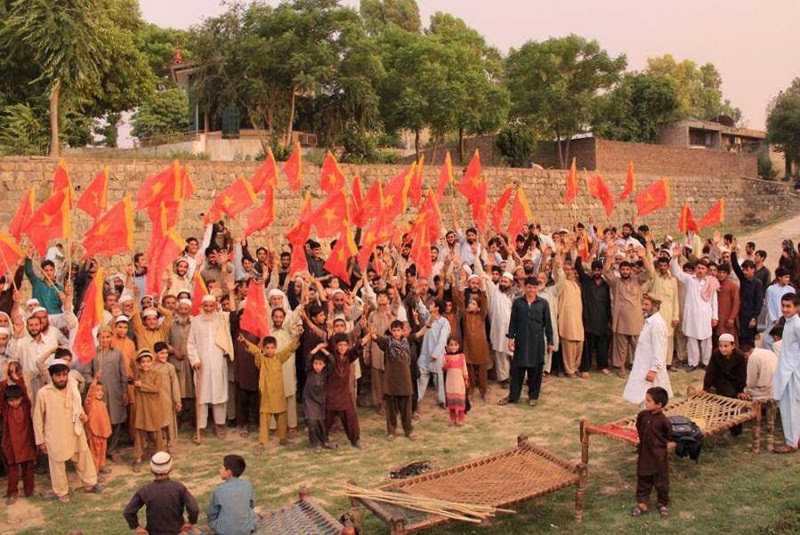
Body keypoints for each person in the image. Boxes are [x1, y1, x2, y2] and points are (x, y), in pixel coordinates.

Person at [33, 359, 101, 502]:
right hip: (56, 435)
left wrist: (83, 415)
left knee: (84, 458)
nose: (62, 378)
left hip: (75, 431)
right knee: (57, 465)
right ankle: (61, 492)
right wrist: (40, 440)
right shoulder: (43, 393)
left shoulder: (73, 387)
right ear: (51, 376)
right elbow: (37, 418)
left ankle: (90, 484)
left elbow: (77, 407)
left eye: (64, 375)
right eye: (58, 376)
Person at [499, 277, 553, 407]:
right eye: (529, 287)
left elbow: (548, 324)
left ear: (537, 288)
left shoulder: (543, 303)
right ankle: (513, 396)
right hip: (521, 341)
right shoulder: (518, 303)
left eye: (534, 287)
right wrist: (511, 338)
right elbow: (513, 322)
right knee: (517, 370)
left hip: (537, 342)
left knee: (536, 370)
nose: (531, 290)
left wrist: (550, 342)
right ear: (525, 287)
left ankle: (533, 396)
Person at [187, 294, 234, 442]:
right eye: (205, 306)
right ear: (202, 306)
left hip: (218, 363)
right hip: (202, 365)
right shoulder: (195, 321)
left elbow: (231, 312)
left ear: (215, 306)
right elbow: (190, 343)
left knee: (219, 395)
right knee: (202, 397)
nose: (208, 309)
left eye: (211, 306)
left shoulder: (221, 319)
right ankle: (200, 427)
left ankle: (220, 425)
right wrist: (195, 360)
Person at [240, 334, 299, 448]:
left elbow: (289, 349)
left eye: (272, 348)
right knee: (264, 418)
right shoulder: (261, 359)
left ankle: (282, 438)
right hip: (266, 394)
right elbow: (255, 351)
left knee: (281, 416)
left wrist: (298, 337)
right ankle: (263, 441)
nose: (270, 350)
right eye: (267, 348)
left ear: (275, 348)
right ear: (263, 348)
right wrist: (244, 341)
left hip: (278, 393)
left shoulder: (279, 358)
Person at [123, 451, 200, 535]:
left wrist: (137, 527)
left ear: (151, 470)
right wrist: (190, 522)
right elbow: (194, 509)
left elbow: (128, 512)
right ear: (170, 469)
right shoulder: (179, 488)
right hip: (177, 531)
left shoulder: (145, 490)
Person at [605, 246, 650, 378]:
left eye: (627, 269)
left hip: (636, 319)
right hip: (620, 320)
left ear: (631, 270)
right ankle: (621, 368)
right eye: (623, 269)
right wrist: (609, 256)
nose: (625, 271)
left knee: (638, 346)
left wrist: (643, 257)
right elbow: (606, 271)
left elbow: (650, 273)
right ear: (620, 271)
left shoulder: (637, 280)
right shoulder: (616, 282)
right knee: (621, 347)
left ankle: (639, 367)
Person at [671, 249, 718, 371]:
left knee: (706, 340)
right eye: (698, 268)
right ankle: (693, 363)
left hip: (705, 316)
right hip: (691, 315)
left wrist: (715, 317)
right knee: (691, 339)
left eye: (703, 268)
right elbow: (676, 271)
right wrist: (675, 257)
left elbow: (714, 302)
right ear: (695, 269)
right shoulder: (689, 279)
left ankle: (706, 363)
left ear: (706, 270)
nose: (700, 270)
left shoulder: (711, 282)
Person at [623, 296, 673, 406]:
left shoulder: (657, 324)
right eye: (643, 304)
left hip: (651, 369)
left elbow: (659, 349)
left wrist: (654, 370)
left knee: (653, 400)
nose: (643, 307)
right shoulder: (650, 322)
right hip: (643, 367)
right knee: (644, 400)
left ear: (655, 306)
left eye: (646, 305)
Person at [631, 386, 671, 519]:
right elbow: (639, 427)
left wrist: (665, 447)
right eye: (645, 399)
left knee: (661, 480)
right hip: (645, 453)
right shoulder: (642, 415)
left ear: (659, 405)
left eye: (648, 401)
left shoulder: (664, 421)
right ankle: (642, 502)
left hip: (659, 456)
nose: (645, 402)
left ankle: (662, 502)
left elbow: (669, 436)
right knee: (643, 477)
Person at [373, 321, 415, 440]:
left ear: (402, 331)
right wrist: (368, 329)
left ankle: (408, 430)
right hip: (391, 380)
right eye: (394, 330)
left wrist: (429, 322)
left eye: (398, 330)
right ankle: (391, 431)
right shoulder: (387, 342)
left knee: (406, 408)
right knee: (391, 408)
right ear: (391, 331)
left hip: (405, 380)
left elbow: (420, 333)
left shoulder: (407, 341)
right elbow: (375, 337)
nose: (396, 333)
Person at [772, 292, 800, 453]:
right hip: (786, 370)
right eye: (783, 306)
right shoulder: (788, 322)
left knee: (791, 408)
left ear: (796, 308)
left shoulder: (797, 324)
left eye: (788, 306)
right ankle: (795, 439)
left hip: (793, 373)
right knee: (789, 406)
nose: (785, 309)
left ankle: (791, 443)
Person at [131, 350, 165, 472]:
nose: (145, 364)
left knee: (156, 433)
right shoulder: (137, 374)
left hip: (153, 407)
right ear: (139, 364)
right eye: (143, 362)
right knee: (139, 433)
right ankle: (138, 458)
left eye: (148, 361)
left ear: (152, 362)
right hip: (141, 407)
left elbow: (156, 389)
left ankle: (161, 457)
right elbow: (134, 387)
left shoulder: (157, 374)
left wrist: (142, 385)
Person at [1, 383, 36, 505]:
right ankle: (12, 493)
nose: (14, 402)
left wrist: (18, 379)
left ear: (21, 398)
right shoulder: (6, 410)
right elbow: (1, 394)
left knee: (28, 469)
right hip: (12, 445)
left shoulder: (26, 406)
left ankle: (29, 491)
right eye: (11, 400)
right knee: (13, 471)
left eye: (17, 399)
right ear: (7, 401)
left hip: (26, 443)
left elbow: (25, 393)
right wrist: (5, 378)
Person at [207, 454, 257, 535]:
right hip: (246, 530)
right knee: (251, 513)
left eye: (221, 468)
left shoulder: (219, 490)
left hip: (225, 531)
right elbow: (252, 505)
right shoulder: (247, 485)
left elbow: (212, 514)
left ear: (229, 472)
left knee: (214, 518)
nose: (219, 470)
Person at [416, 299, 450, 408]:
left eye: (432, 304)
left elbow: (443, 339)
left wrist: (436, 353)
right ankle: (416, 400)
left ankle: (442, 400)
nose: (429, 306)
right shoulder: (428, 317)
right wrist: (417, 296)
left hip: (437, 356)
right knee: (422, 378)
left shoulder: (444, 322)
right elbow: (421, 308)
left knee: (439, 379)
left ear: (437, 308)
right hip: (425, 354)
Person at [302, 354, 335, 451]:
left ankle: (325, 441)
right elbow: (308, 358)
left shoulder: (325, 373)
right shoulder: (309, 371)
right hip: (309, 400)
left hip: (320, 400)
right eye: (315, 363)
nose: (317, 366)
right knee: (312, 421)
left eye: (320, 364)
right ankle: (314, 444)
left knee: (321, 422)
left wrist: (324, 350)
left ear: (324, 365)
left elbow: (332, 361)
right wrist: (317, 348)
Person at [152, 342, 181, 449]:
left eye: (166, 353)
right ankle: (160, 443)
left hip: (168, 399)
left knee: (170, 422)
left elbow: (175, 384)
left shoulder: (170, 367)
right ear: (155, 353)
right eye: (161, 353)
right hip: (155, 401)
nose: (164, 356)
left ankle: (171, 443)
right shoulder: (151, 367)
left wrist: (177, 400)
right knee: (159, 422)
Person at [83, 381, 112, 476]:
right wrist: (95, 380)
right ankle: (94, 472)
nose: (100, 392)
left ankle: (101, 466)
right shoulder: (89, 403)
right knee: (95, 453)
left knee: (102, 451)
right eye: (97, 390)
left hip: (103, 432)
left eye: (101, 391)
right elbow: (90, 393)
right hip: (94, 433)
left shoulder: (101, 403)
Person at [442, 338, 469, 426]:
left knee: (460, 401)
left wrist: (466, 379)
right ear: (447, 346)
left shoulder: (461, 356)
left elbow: (464, 369)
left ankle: (460, 419)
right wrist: (446, 365)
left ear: (458, 346)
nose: (453, 347)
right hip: (450, 383)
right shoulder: (445, 357)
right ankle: (452, 419)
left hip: (459, 382)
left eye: (455, 344)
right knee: (451, 401)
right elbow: (443, 368)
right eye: (451, 345)